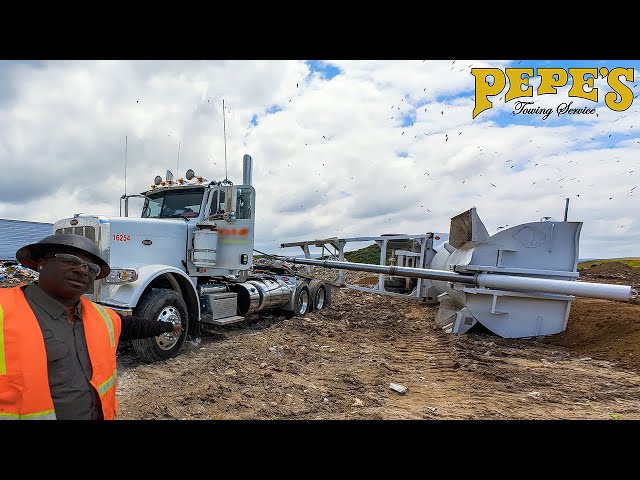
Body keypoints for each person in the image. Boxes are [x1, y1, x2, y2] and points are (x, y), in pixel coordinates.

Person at [0, 233, 184, 420]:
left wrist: (169, 326)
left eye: (91, 268)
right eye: (70, 261)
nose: (82, 270)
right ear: (41, 262)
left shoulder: (102, 317)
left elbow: (135, 326)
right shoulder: (4, 309)